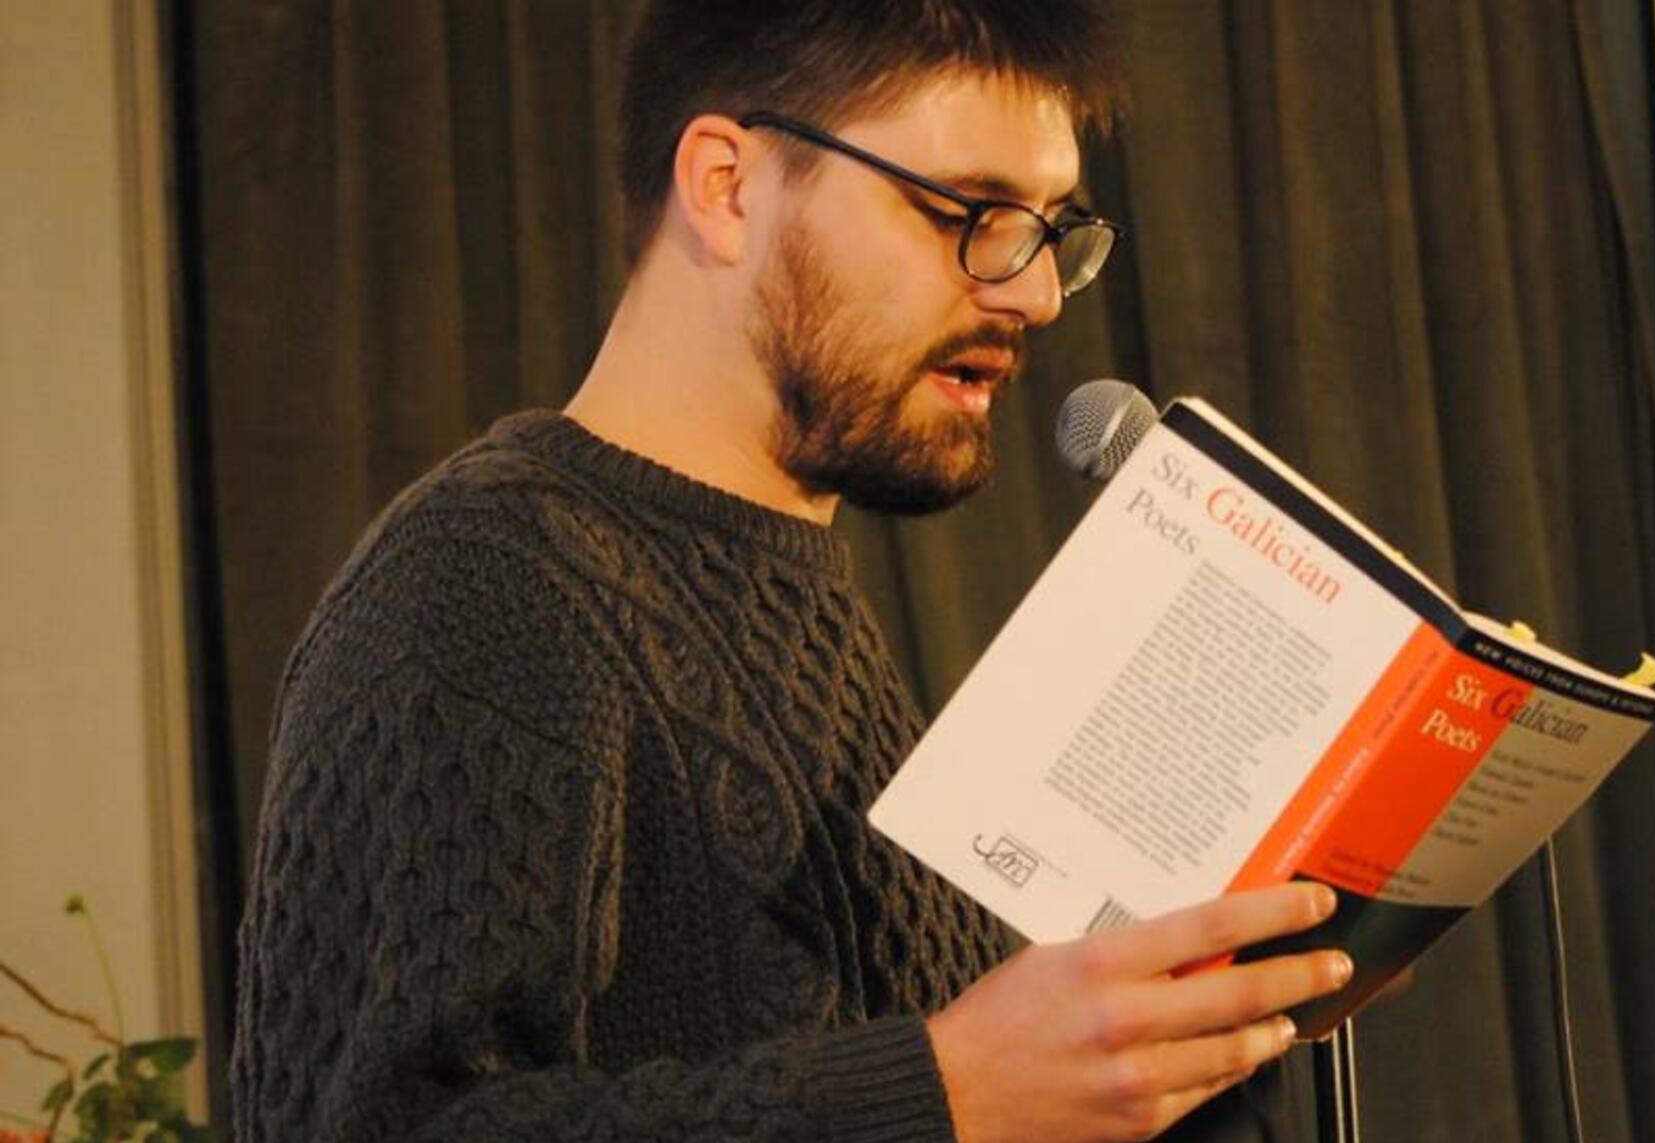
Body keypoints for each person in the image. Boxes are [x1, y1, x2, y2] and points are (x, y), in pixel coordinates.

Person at [230, 2, 1356, 1140]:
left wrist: (1216, 1025)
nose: (1034, 293)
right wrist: (946, 1091)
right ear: (726, 187)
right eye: (968, 214)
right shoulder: (483, 581)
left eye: (1049, 230)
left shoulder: (804, 613)